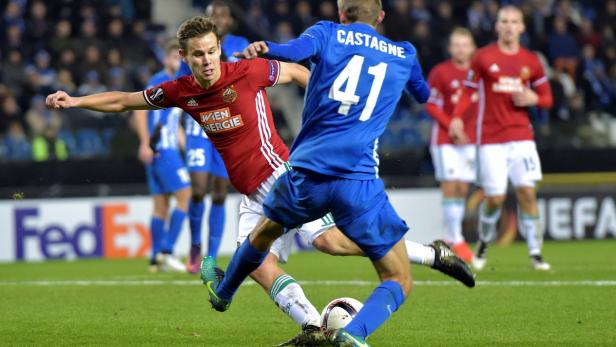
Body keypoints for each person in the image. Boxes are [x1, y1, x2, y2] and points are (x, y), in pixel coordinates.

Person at [46, 16, 473, 347]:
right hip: (250, 193)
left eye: (212, 51)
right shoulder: (181, 91)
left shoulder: (247, 72)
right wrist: (77, 100)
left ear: (220, 50)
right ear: (184, 56)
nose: (208, 60)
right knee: (257, 265)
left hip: (282, 176)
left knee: (327, 242)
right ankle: (312, 324)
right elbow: (125, 100)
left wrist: (328, 110)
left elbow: (299, 74)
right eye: (198, 55)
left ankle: (431, 254)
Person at [201, 1, 472, 345]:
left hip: (306, 173)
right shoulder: (404, 53)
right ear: (382, 17)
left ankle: (223, 293)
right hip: (357, 183)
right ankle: (353, 335)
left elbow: (292, 51)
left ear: (342, 15)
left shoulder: (326, 33)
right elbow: (422, 94)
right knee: (397, 278)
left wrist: (267, 48)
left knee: (262, 235)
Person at [451, 5, 553, 271]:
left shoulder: (531, 61)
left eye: (514, 21)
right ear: (497, 26)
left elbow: (547, 98)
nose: (509, 26)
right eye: (504, 21)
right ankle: (484, 241)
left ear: (522, 27)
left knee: (527, 193)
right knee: (494, 198)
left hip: (522, 137)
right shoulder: (483, 57)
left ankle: (536, 253)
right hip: (491, 139)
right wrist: (458, 117)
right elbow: (468, 91)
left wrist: (534, 98)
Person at [178, 1, 250, 273]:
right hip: (200, 125)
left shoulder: (241, 44)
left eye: (223, 14)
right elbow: (180, 85)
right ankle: (195, 245)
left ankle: (211, 254)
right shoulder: (193, 48)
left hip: (228, 126)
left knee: (219, 194)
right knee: (198, 190)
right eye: (213, 14)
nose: (219, 18)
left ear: (230, 21)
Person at [133, 40, 190, 273]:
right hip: (161, 149)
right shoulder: (159, 82)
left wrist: (186, 146)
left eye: (181, 58)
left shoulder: (179, 83)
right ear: (166, 59)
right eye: (174, 58)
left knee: (160, 207)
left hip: (164, 149)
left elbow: (172, 122)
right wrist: (145, 142)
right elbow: (138, 109)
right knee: (186, 196)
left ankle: (155, 259)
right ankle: (167, 251)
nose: (178, 62)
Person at [425, 27, 478, 262]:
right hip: (445, 139)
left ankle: (449, 236)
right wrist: (452, 126)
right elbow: (431, 104)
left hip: (471, 139)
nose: (460, 49)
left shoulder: (479, 73)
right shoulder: (440, 72)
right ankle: (458, 238)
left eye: (464, 45)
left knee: (462, 189)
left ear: (472, 48)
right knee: (450, 184)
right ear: (450, 48)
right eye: (456, 45)